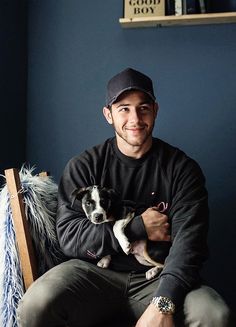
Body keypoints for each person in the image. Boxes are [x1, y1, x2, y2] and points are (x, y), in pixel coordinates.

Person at [17, 68, 231, 327]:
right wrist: (139, 226)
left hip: (156, 276)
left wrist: (163, 302)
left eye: (143, 108)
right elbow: (70, 236)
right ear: (108, 114)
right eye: (124, 109)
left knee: (214, 315)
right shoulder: (84, 166)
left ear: (155, 109)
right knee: (36, 303)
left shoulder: (181, 169)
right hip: (93, 271)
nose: (135, 118)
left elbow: (190, 243)